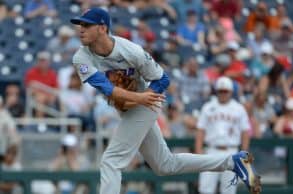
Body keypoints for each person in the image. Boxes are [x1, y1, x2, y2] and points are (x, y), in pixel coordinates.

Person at [70, 8, 261, 194]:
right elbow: (106, 88)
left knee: (111, 160)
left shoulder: (131, 50)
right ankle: (233, 162)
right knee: (165, 165)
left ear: (102, 28)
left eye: (87, 25)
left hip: (147, 103)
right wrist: (137, 98)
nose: (81, 29)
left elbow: (162, 80)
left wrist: (143, 98)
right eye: (80, 24)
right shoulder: (81, 57)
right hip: (134, 103)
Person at [195, 76, 250, 194]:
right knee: (205, 189)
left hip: (231, 151)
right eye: (221, 91)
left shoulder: (239, 108)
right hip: (211, 150)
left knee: (229, 189)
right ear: (216, 91)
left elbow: (245, 132)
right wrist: (199, 153)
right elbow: (200, 130)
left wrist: (243, 153)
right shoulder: (208, 107)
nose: (223, 93)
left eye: (225, 91)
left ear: (231, 92)